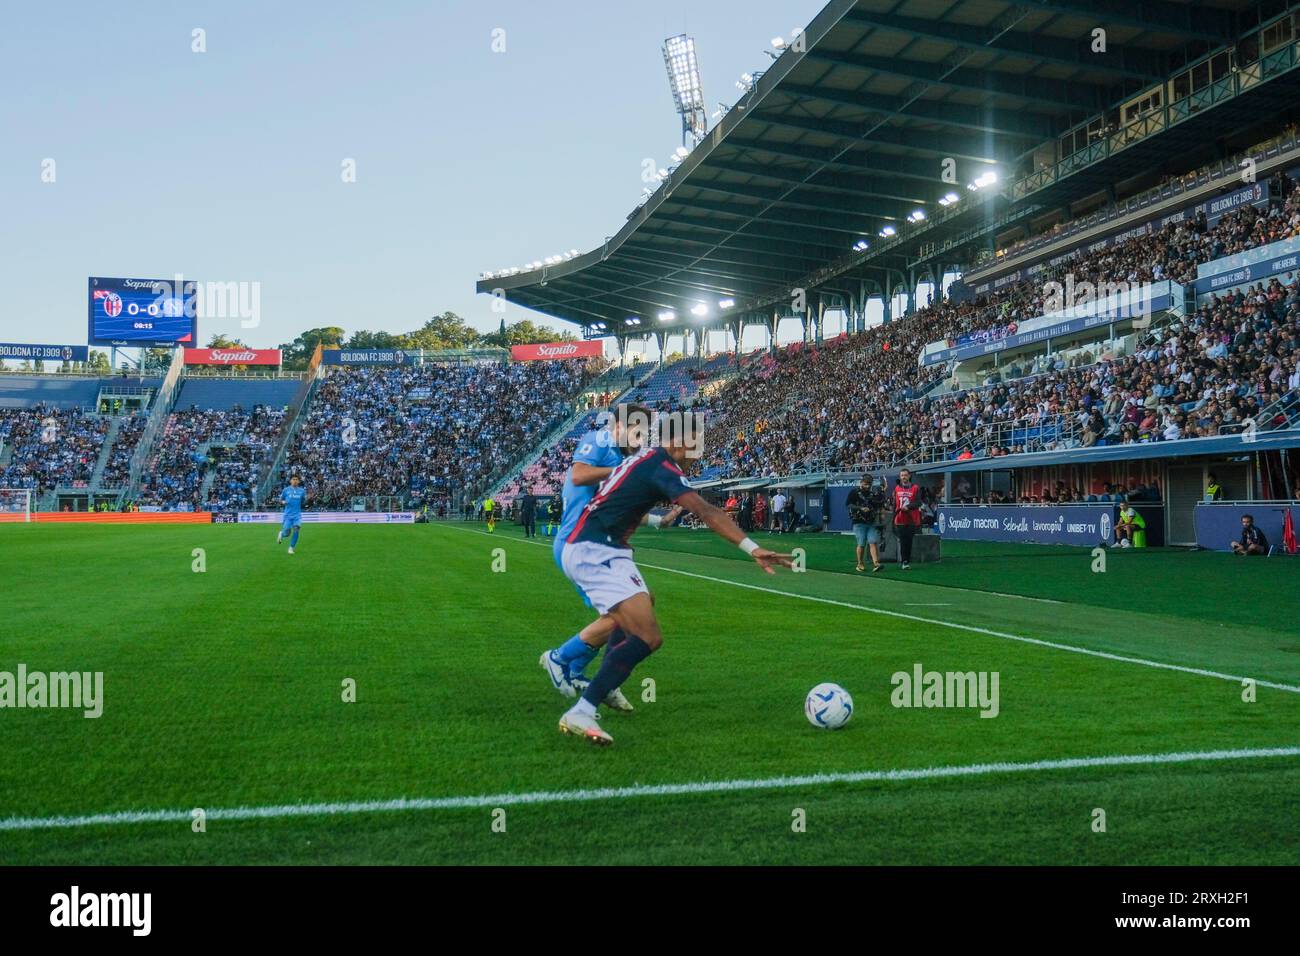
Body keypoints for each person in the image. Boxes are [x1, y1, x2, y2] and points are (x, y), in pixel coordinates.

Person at [556, 418, 794, 745]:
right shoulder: (661, 465)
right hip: (595, 550)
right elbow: (706, 511)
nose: (699, 456)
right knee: (648, 637)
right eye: (697, 448)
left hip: (603, 547)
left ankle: (603, 685)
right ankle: (583, 707)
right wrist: (752, 548)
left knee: (643, 605)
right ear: (682, 443)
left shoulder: (648, 459)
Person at [540, 405, 654, 709]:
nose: (641, 440)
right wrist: (624, 471)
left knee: (626, 611)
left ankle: (578, 672)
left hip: (596, 545)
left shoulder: (618, 456)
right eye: (638, 432)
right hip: (578, 544)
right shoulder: (600, 440)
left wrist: (656, 518)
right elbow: (579, 475)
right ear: (620, 426)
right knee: (626, 613)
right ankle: (562, 658)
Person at [846, 476, 885, 573]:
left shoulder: (872, 494)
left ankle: (876, 563)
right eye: (865, 483)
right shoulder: (854, 492)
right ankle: (860, 563)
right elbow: (848, 504)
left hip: (871, 521)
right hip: (858, 522)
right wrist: (860, 508)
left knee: (873, 542)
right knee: (861, 544)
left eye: (869, 484)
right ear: (861, 482)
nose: (867, 486)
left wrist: (881, 498)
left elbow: (877, 504)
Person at [892, 468, 921, 570]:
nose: (904, 477)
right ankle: (904, 561)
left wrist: (908, 507)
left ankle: (907, 560)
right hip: (899, 518)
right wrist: (893, 516)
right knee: (903, 540)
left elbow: (918, 503)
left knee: (909, 541)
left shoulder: (915, 488)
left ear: (909, 476)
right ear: (900, 477)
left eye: (905, 475)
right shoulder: (897, 488)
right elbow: (895, 504)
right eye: (902, 475)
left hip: (911, 518)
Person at [277, 474, 306, 555]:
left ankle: (291, 548)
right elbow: (280, 500)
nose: (295, 480)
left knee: (296, 530)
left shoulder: (302, 491)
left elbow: (303, 501)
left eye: (296, 479)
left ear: (299, 481)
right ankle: (281, 534)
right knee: (287, 533)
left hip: (297, 515)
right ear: (290, 481)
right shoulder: (286, 490)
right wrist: (283, 502)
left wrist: (308, 500)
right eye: (293, 479)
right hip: (288, 515)